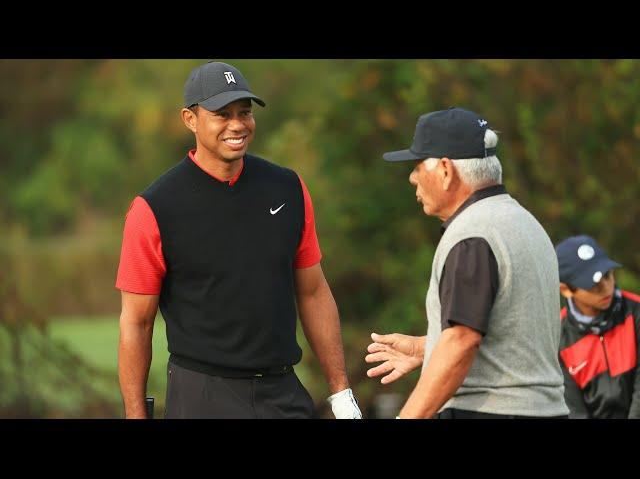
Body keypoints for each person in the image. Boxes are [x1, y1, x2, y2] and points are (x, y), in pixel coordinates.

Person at [116, 61, 361, 419]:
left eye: (244, 113)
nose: (237, 125)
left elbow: (313, 292)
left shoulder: (288, 188)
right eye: (222, 114)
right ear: (190, 119)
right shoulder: (154, 208)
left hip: (282, 393)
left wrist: (341, 395)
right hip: (202, 395)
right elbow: (136, 323)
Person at [365, 107, 569, 418]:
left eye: (418, 165)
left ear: (445, 171)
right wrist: (428, 348)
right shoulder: (523, 222)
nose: (412, 178)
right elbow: (509, 333)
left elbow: (462, 341)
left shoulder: (472, 235)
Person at [555, 235, 640, 418]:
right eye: (593, 284)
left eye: (607, 275)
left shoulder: (636, 312)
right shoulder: (557, 338)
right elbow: (575, 411)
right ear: (566, 289)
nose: (606, 287)